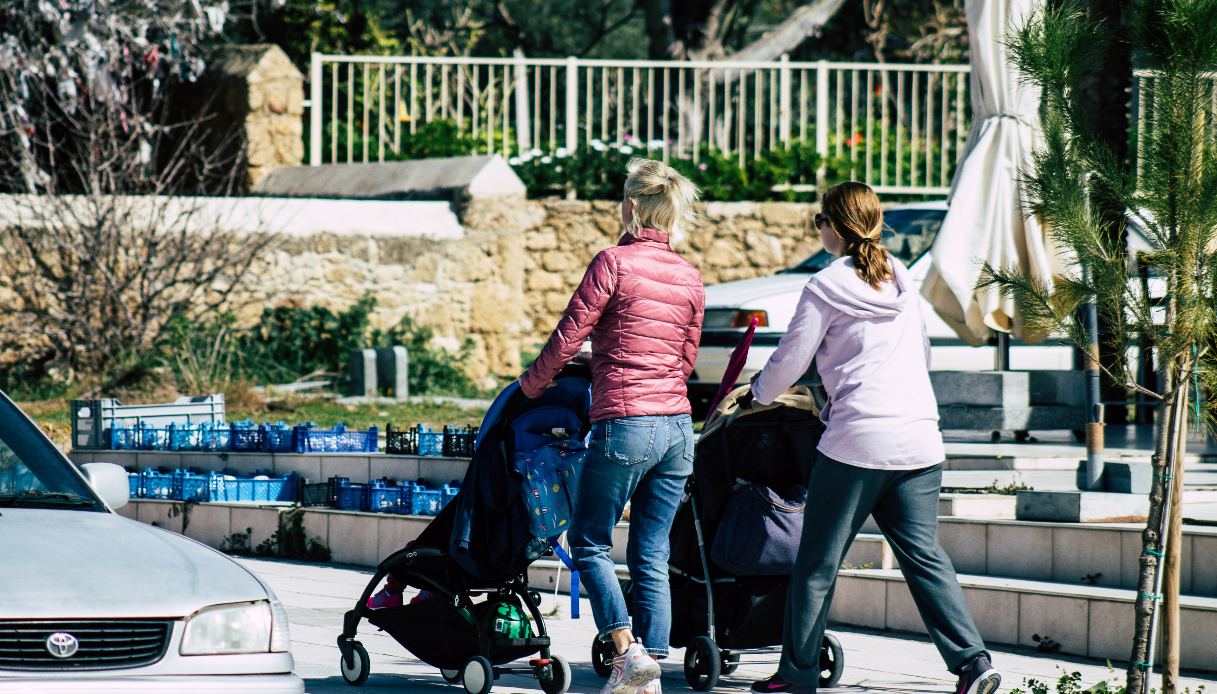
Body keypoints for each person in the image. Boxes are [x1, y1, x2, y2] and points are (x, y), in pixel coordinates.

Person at [746, 182, 1001, 694]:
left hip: (857, 442)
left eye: (820, 220)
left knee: (817, 562)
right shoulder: (899, 277)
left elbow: (791, 358)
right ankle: (973, 663)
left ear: (836, 227)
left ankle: (796, 674)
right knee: (924, 556)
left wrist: (758, 393)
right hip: (919, 438)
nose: (817, 228)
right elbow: (922, 352)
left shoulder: (824, 285)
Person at [520, 157, 705, 694]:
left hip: (626, 421)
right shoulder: (689, 275)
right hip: (677, 429)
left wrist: (533, 385)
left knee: (589, 541)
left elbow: (569, 333)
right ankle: (650, 666)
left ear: (630, 205)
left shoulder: (613, 262)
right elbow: (685, 359)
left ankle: (626, 651)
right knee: (652, 550)